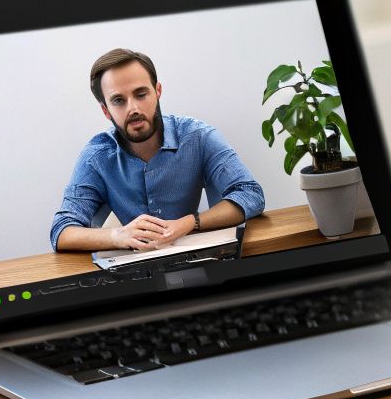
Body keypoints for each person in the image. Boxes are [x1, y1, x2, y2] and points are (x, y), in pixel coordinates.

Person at [51, 48, 266, 252]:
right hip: (128, 273)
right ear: (106, 111)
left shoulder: (198, 137)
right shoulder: (96, 156)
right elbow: (61, 230)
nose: (133, 109)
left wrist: (191, 222)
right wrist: (118, 236)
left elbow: (250, 194)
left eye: (141, 94)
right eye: (119, 101)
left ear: (158, 91)